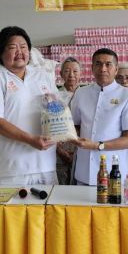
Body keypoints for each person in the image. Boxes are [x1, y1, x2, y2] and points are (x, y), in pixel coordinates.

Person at [0, 26, 58, 185]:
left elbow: (58, 110)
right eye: (13, 47)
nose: (19, 52)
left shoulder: (42, 76)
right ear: (1, 52)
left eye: (24, 47)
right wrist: (31, 139)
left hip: (46, 166)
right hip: (10, 170)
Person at [71, 48, 128, 184]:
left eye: (108, 64)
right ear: (92, 68)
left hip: (113, 174)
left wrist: (96, 145)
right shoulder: (81, 93)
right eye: (98, 64)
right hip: (84, 172)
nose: (103, 69)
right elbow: (75, 125)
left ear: (116, 69)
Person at [56, 57, 81, 185]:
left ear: (81, 73)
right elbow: (49, 126)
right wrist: (60, 151)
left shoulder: (87, 95)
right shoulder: (54, 96)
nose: (71, 75)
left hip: (82, 149)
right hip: (60, 150)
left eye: (75, 71)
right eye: (67, 71)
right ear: (61, 74)